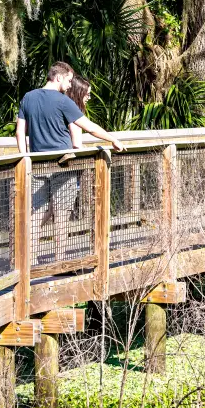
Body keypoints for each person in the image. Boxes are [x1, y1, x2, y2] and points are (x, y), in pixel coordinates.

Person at [17, 62, 124, 262]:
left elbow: (19, 132)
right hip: (63, 164)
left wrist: (25, 158)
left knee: (35, 214)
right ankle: (60, 261)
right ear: (58, 77)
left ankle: (28, 262)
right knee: (61, 214)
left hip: (37, 164)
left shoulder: (28, 97)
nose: (69, 85)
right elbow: (89, 127)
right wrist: (113, 139)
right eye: (68, 80)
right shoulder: (63, 101)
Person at [64, 73, 93, 149]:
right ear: (79, 94)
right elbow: (77, 145)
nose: (89, 98)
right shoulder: (74, 114)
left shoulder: (62, 106)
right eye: (87, 94)